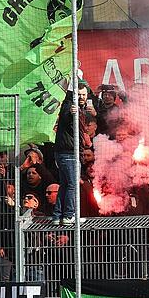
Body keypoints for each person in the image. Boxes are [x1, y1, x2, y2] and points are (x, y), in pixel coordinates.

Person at [51, 91, 90, 226]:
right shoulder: (69, 107)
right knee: (72, 185)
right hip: (69, 153)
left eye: (84, 94)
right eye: (78, 94)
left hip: (65, 152)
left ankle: (57, 216)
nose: (81, 97)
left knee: (65, 185)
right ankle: (68, 215)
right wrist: (73, 114)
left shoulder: (71, 105)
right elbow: (67, 118)